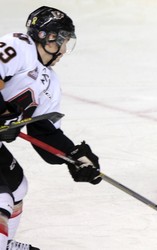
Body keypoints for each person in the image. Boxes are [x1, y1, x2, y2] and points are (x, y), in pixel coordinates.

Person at [0, 6, 102, 250]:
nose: (65, 49)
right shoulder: (19, 46)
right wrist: (3, 114)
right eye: (63, 40)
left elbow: (43, 132)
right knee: (1, 196)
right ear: (48, 37)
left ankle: (5, 243)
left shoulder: (50, 83)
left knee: (17, 186)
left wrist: (74, 156)